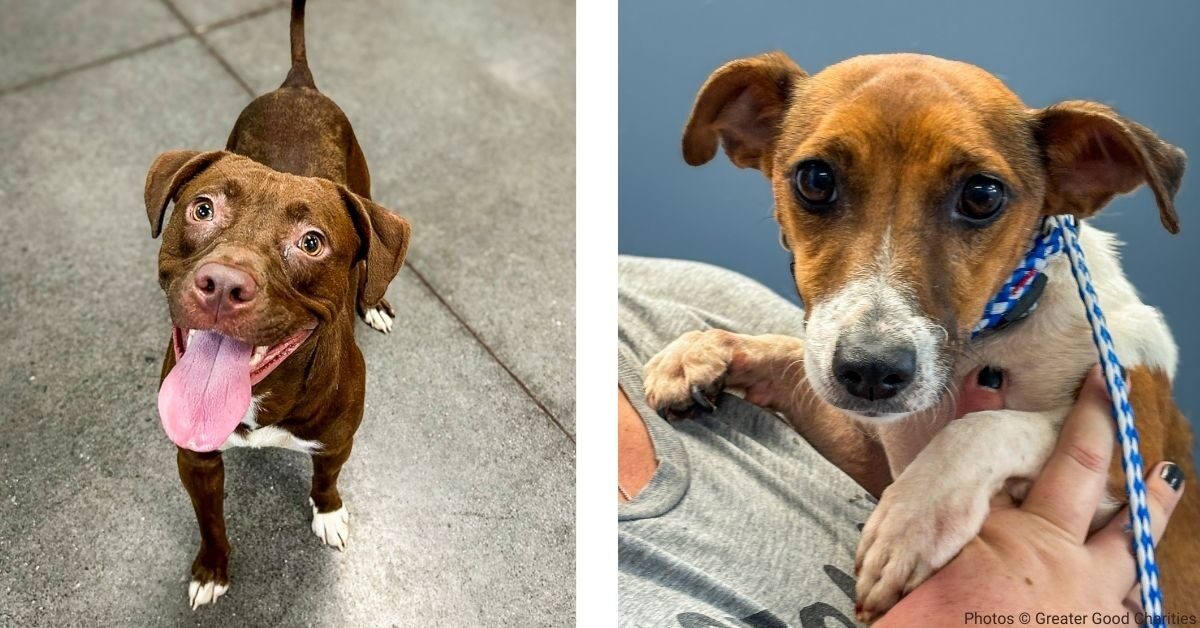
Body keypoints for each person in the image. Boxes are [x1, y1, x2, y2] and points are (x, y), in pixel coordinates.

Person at [617, 256, 1185, 627]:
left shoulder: (677, 297)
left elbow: (888, 461)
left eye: (978, 198)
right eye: (820, 186)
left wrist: (778, 372)